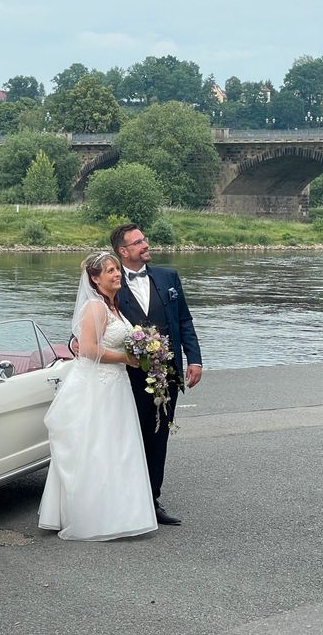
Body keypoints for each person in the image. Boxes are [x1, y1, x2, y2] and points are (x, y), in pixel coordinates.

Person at [38, 251, 158, 541]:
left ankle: (119, 512)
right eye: (109, 271)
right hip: (97, 386)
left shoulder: (114, 308)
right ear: (94, 278)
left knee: (117, 447)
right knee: (96, 447)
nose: (116, 274)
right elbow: (89, 350)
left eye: (117, 269)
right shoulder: (94, 307)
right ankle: (92, 516)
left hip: (115, 386)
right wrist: (126, 359)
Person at [110, 222, 203, 526]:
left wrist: (195, 359)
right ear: (123, 251)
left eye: (144, 239)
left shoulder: (168, 276)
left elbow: (184, 320)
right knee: (128, 436)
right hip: (127, 375)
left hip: (168, 373)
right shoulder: (109, 282)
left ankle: (152, 499)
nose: (145, 245)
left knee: (159, 434)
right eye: (138, 242)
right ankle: (123, 499)